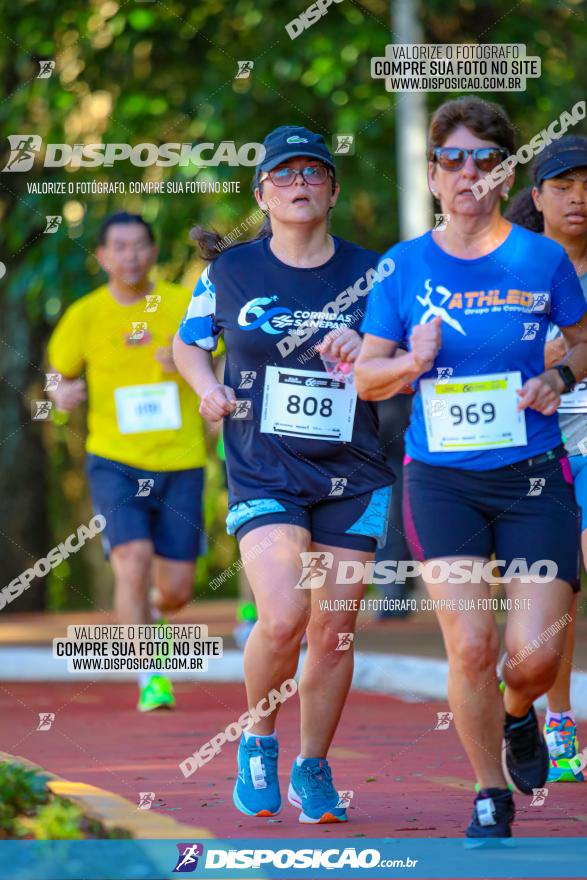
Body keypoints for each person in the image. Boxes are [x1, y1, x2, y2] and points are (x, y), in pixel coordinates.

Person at [355, 97, 587, 840]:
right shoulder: (401, 266)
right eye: (451, 160)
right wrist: (410, 363)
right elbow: (365, 379)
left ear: (504, 171)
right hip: (441, 480)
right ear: (431, 175)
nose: (467, 173)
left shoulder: (540, 258)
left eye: (483, 161)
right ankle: (488, 791)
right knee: (472, 645)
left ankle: (519, 714)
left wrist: (559, 378)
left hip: (531, 475)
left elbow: (584, 342)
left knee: (531, 658)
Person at [173, 125, 395, 824]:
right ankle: (259, 741)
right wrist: (206, 387)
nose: (299, 183)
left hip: (354, 470)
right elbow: (187, 344)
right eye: (284, 174)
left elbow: (400, 367)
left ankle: (313, 767)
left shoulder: (375, 271)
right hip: (263, 466)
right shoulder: (230, 270)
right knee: (284, 613)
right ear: (262, 192)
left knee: (332, 630)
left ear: (332, 190)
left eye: (313, 173)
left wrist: (365, 349)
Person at [47, 212, 207, 712]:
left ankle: (154, 616)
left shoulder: (182, 305)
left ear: (153, 252)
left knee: (176, 590)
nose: (130, 255)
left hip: (181, 459)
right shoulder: (85, 314)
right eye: (119, 246)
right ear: (102, 257)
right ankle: (150, 676)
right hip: (114, 459)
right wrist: (62, 393)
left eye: (139, 245)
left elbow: (219, 360)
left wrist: (184, 361)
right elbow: (58, 375)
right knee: (131, 562)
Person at [506, 135, 587, 783]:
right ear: (538, 197)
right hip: (531, 445)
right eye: (563, 187)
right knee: (552, 594)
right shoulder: (510, 267)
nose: (578, 199)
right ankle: (555, 720)